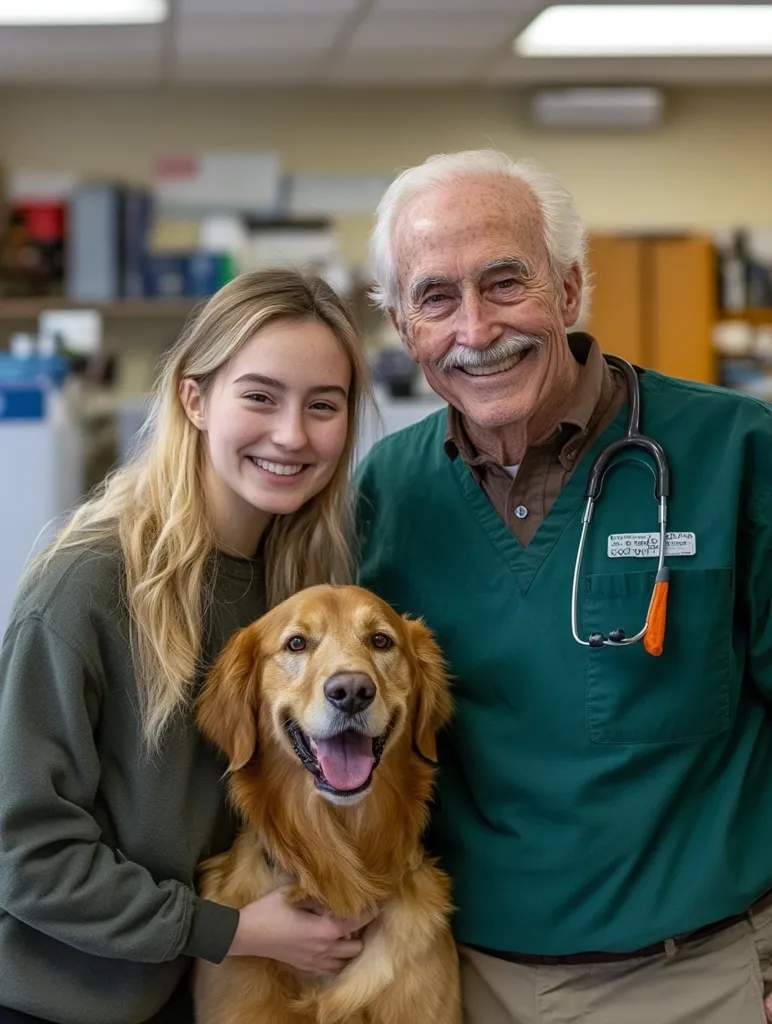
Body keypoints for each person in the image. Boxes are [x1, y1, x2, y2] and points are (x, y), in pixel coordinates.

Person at [354, 149, 772, 1024]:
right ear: (402, 326)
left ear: (572, 290)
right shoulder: (383, 493)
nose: (475, 329)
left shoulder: (737, 450)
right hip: (455, 977)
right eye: (435, 298)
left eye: (507, 283)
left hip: (697, 976)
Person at [0, 269, 377, 1024]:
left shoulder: (298, 597)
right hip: (64, 1006)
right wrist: (228, 930)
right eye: (261, 396)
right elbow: (24, 857)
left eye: (323, 406)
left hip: (207, 992)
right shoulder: (88, 587)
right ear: (194, 398)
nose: (293, 434)